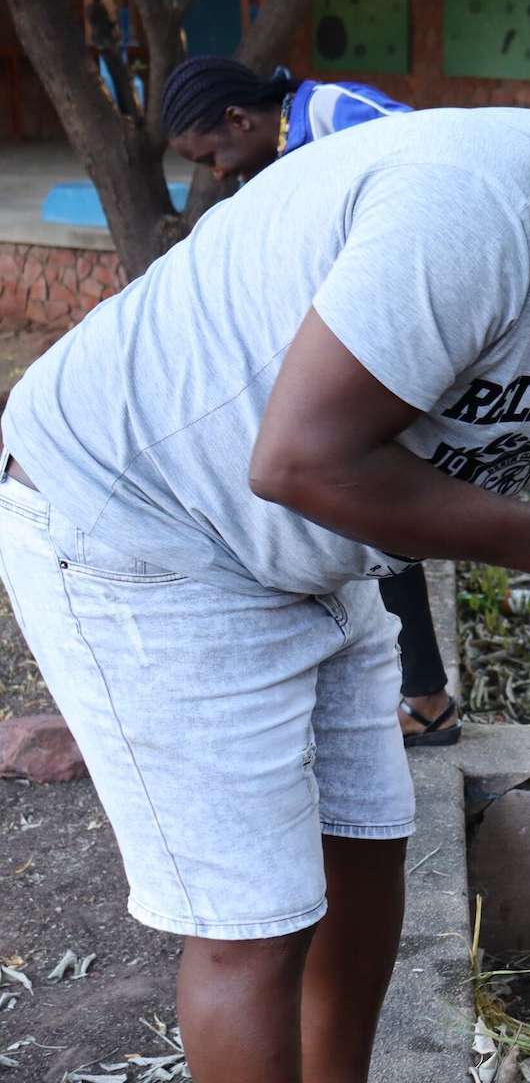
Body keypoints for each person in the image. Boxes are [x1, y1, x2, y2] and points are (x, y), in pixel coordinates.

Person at [0, 41, 530, 1080]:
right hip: (137, 519)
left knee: (365, 847)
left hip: (300, 546)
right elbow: (299, 459)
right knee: (256, 920)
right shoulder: (475, 210)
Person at [160, 56, 461, 747]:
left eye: (213, 155)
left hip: (395, 355)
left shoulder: (336, 116)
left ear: (240, 120)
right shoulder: (284, 152)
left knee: (372, 513)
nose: (215, 174)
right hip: (349, 358)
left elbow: (439, 172)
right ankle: (413, 693)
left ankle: (423, 696)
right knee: (356, 519)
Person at [161, 55, 410, 184]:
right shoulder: (263, 178)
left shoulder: (331, 111)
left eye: (211, 160)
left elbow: (425, 147)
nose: (217, 174)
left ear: (238, 120)